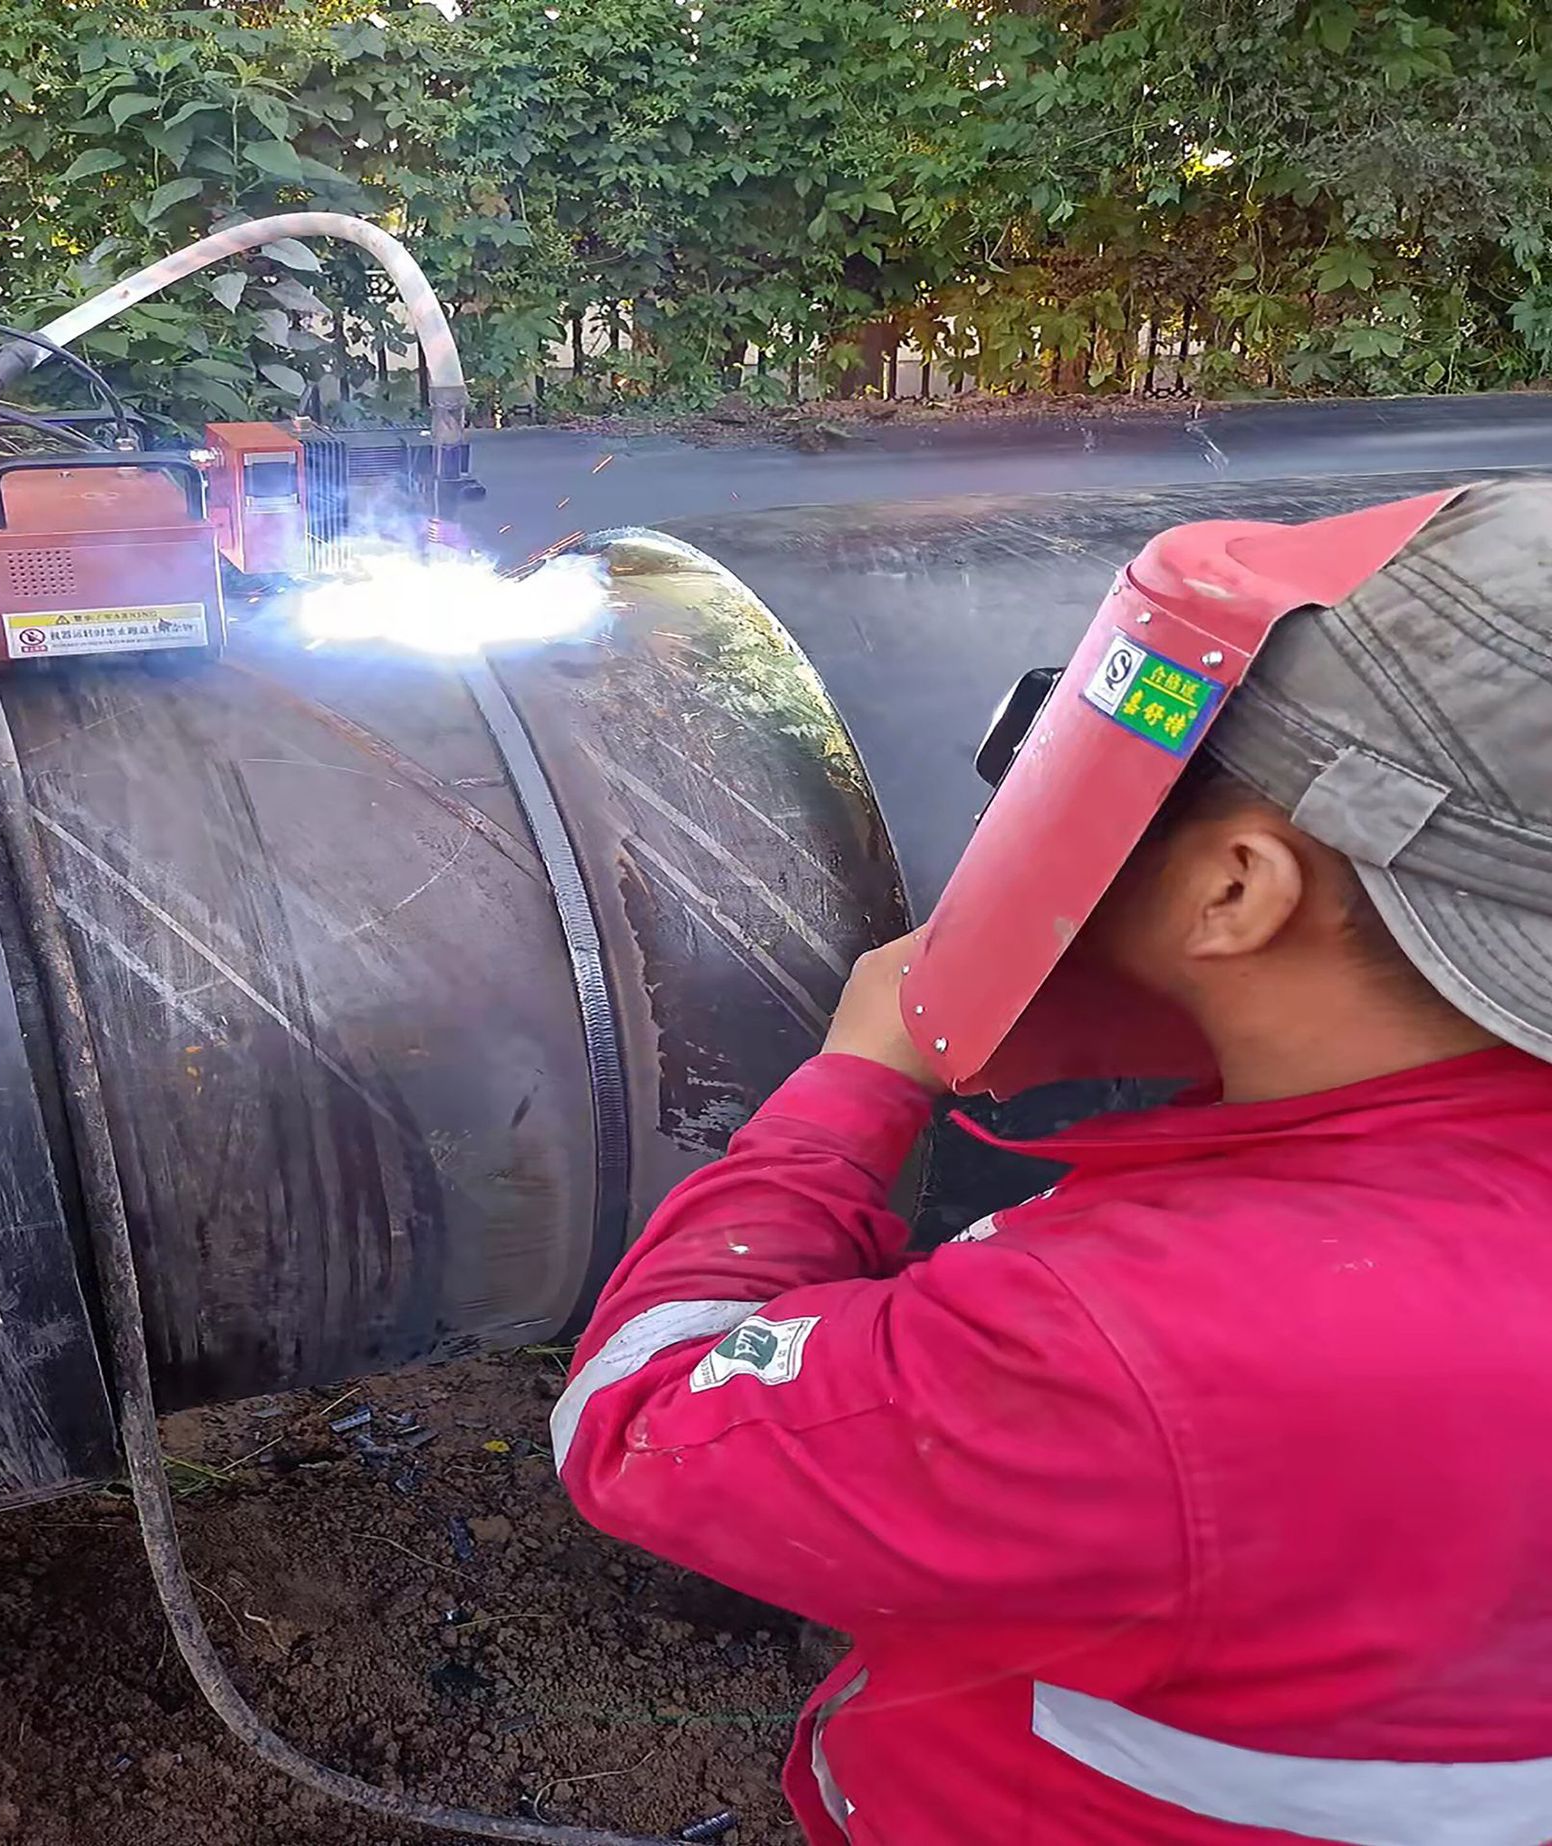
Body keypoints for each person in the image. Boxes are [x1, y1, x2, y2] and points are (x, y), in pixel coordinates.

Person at [551, 478, 1552, 1845]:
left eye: (1142, 777)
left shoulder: (1123, 1342)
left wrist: (856, 1081)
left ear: (1238, 888)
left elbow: (635, 1419)